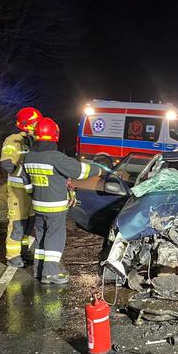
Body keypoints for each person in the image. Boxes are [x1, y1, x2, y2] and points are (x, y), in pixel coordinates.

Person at [23, 118, 104, 284]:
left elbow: (26, 182)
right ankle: (51, 274)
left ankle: (40, 270)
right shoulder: (55, 157)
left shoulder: (29, 156)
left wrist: (34, 195)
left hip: (38, 205)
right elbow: (79, 171)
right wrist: (99, 169)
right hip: (55, 207)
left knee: (41, 236)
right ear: (55, 135)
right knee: (55, 236)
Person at [0, 107, 41, 268]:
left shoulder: (34, 141)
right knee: (17, 224)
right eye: (35, 124)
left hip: (31, 191)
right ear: (27, 124)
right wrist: (23, 174)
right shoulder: (13, 140)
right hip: (18, 192)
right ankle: (12, 256)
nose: (37, 127)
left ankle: (23, 251)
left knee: (29, 223)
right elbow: (6, 163)